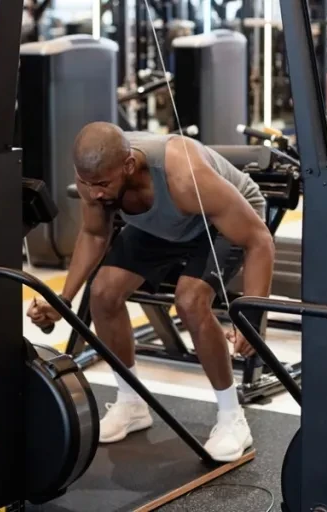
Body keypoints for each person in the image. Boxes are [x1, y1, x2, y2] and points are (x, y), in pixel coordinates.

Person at [27, 122, 274, 462]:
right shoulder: (93, 180)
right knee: (103, 294)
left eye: (102, 184)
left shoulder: (185, 176)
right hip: (160, 227)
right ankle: (132, 403)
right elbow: (95, 235)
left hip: (214, 223)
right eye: (87, 183)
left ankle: (233, 418)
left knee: (189, 300)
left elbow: (258, 239)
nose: (95, 193)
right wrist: (63, 300)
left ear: (128, 166)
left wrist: (252, 316)